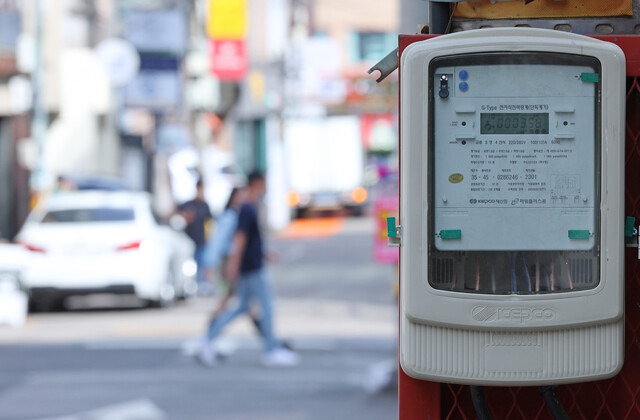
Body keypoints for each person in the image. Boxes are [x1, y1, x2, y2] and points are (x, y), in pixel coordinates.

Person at [197, 171, 299, 367]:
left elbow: (247, 242)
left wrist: (263, 254)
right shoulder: (246, 210)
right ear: (257, 184)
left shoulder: (246, 209)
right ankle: (270, 349)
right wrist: (232, 267)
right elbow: (239, 240)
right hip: (251, 268)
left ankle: (208, 338)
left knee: (242, 307)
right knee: (266, 306)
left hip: (249, 266)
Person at [178, 179, 213, 289]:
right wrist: (186, 216)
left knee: (202, 264)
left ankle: (201, 285)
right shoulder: (188, 205)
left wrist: (209, 238)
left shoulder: (205, 206)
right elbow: (177, 216)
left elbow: (209, 223)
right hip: (189, 241)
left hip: (202, 241)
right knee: (189, 265)